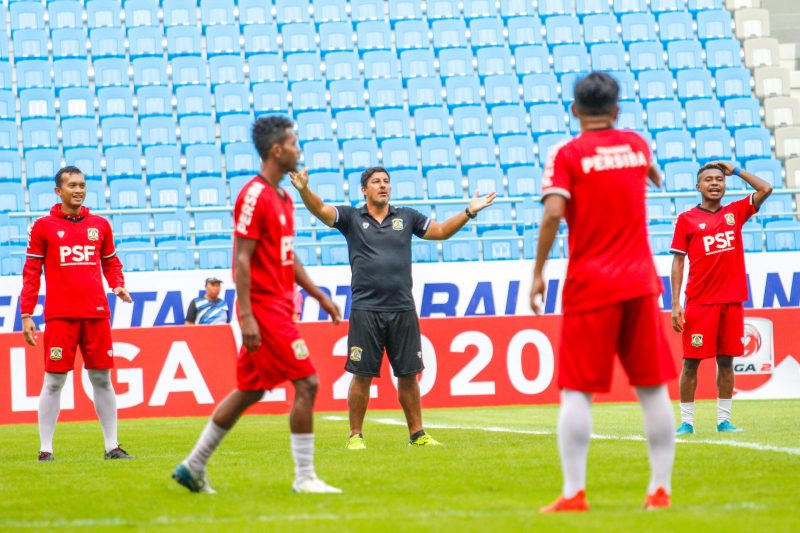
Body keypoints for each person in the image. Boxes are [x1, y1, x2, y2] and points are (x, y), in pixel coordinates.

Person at [172, 115, 344, 494]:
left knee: (250, 390)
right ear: (277, 150)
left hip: (280, 307)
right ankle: (304, 478)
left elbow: (287, 256)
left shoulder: (283, 196)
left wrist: (318, 295)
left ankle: (192, 465)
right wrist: (247, 315)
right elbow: (242, 259)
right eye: (294, 144)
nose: (299, 150)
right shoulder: (254, 195)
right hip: (264, 311)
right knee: (308, 382)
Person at [529, 72, 677, 512]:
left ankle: (574, 492)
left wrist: (538, 272)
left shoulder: (567, 153)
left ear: (575, 111)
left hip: (590, 282)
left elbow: (554, 212)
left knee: (578, 390)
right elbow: (656, 176)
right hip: (639, 279)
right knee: (652, 388)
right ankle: (660, 490)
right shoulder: (635, 144)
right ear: (616, 110)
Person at [290, 166, 496, 449]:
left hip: (402, 308)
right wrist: (303, 190)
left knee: (409, 375)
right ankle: (355, 436)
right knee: (361, 375)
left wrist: (469, 212)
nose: (383, 186)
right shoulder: (351, 217)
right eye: (376, 182)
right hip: (366, 309)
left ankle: (417, 434)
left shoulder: (407, 217)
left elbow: (440, 232)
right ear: (364, 190)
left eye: (386, 181)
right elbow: (321, 210)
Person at [20, 166, 134, 462]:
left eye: (82, 184)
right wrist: (26, 313)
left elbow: (111, 262)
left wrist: (117, 284)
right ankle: (46, 449)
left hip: (96, 314)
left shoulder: (100, 225)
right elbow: (32, 272)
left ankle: (112, 446)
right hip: (60, 316)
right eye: (72, 185)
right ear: (59, 191)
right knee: (54, 381)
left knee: (102, 379)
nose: (79, 190)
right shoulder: (43, 226)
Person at [670, 162, 772, 435]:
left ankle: (724, 420)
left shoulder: (735, 212)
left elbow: (766, 188)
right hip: (700, 303)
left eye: (719, 179)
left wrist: (736, 170)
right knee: (690, 363)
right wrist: (676, 303)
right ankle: (687, 422)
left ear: (725, 184)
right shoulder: (686, 219)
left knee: (726, 362)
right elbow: (678, 262)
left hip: (732, 301)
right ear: (698, 187)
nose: (715, 183)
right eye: (708, 180)